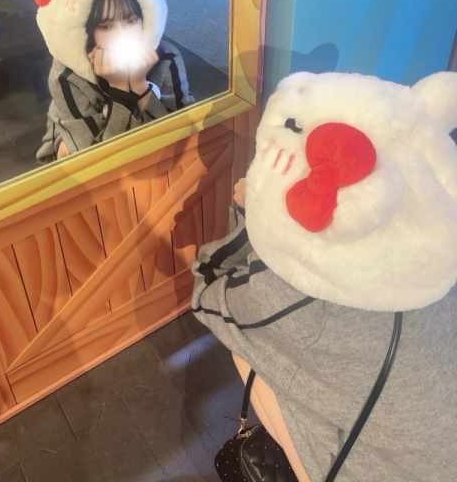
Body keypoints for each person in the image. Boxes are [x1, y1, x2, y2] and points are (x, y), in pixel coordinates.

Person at [192, 70, 457, 482]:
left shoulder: (290, 294)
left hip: (383, 471)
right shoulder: (438, 266)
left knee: (246, 354)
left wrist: (249, 214)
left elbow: (207, 292)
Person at [34, 0, 194, 163]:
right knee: (66, 152)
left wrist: (139, 85)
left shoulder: (166, 57)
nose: (122, 34)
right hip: (78, 134)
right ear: (88, 32)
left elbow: (181, 133)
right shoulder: (67, 75)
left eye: (130, 20)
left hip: (152, 145)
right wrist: (119, 87)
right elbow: (97, 160)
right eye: (106, 26)